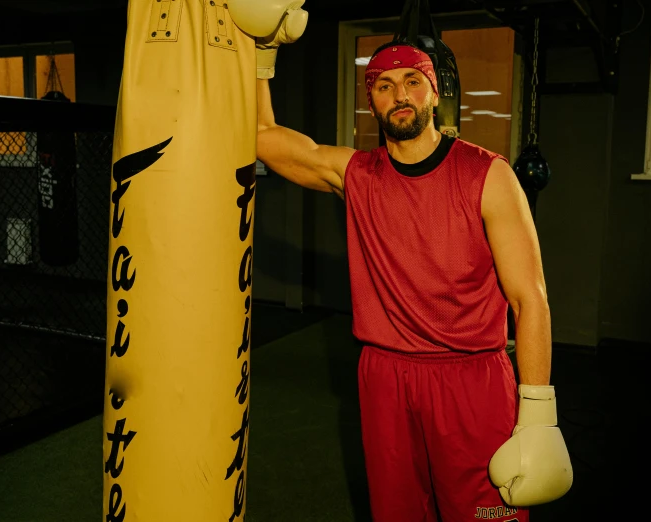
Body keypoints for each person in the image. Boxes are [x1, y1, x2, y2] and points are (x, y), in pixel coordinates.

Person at [236, 1, 573, 520]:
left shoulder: (488, 175)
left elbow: (531, 299)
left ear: (435, 92)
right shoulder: (357, 174)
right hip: (385, 376)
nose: (400, 95)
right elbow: (262, 136)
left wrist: (539, 414)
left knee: (485, 514)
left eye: (412, 81)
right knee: (396, 512)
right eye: (384, 85)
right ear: (370, 100)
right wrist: (261, 55)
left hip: (471, 378)